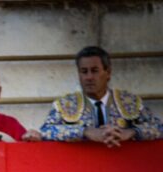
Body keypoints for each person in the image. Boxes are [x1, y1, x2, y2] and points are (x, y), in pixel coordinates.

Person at [23, 46, 162, 146]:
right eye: (84, 71)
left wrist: (130, 132)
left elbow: (159, 128)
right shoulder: (66, 104)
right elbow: (46, 131)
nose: (89, 77)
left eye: (95, 71)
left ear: (108, 73)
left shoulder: (129, 102)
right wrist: (86, 132)